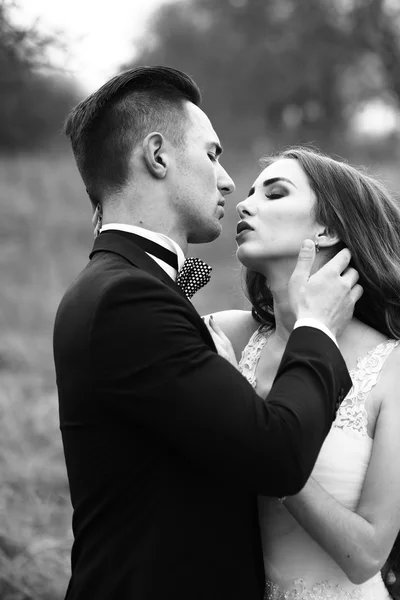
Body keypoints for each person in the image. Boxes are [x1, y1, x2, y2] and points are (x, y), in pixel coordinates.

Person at [53, 67, 361, 600]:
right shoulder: (128, 299)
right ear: (157, 155)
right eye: (213, 154)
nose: (227, 182)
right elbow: (276, 457)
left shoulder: (124, 286)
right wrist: (317, 327)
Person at [210, 147, 400, 600]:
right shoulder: (224, 338)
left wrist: (261, 442)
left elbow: (367, 554)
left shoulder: (391, 367)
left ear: (327, 228)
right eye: (251, 192)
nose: (244, 203)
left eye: (274, 194)